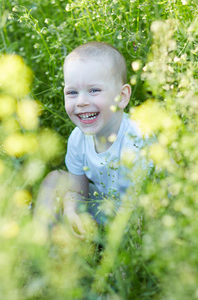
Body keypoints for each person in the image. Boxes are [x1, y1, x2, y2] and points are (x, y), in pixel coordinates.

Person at [36, 41, 149, 238]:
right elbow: (78, 193)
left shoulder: (136, 139)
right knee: (54, 180)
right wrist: (72, 211)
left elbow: (139, 207)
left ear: (122, 96)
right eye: (72, 92)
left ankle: (121, 264)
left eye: (94, 90)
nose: (81, 101)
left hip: (143, 217)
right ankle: (38, 245)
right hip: (107, 209)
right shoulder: (77, 139)